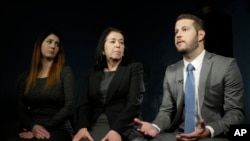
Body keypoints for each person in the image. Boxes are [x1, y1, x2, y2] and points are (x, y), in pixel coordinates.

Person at [134, 13, 245, 141]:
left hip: (213, 136)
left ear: (200, 35)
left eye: (185, 29)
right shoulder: (171, 71)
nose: (178, 34)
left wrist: (208, 130)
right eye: (176, 32)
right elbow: (166, 112)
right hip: (179, 135)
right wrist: (155, 127)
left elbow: (235, 114)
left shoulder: (226, 65)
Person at [73, 27, 145, 141]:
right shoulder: (93, 72)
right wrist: (82, 127)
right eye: (112, 41)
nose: (118, 45)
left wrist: (116, 130)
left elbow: (134, 103)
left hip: (123, 126)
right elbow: (84, 104)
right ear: (102, 49)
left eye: (121, 42)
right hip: (94, 124)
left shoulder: (134, 68)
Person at [8, 28, 77, 141]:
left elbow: (70, 106)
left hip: (58, 128)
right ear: (39, 45)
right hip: (31, 127)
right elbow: (20, 108)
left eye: (57, 44)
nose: (53, 46)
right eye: (49, 41)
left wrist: (43, 128)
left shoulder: (65, 72)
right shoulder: (25, 77)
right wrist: (33, 127)